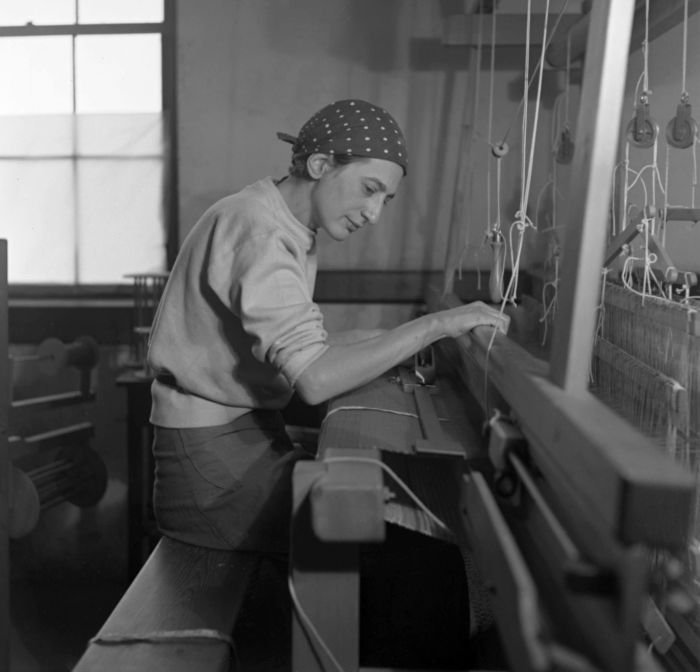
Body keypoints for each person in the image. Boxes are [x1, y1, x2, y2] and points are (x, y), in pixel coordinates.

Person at [146, 98, 508, 555]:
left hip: (236, 442)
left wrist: (394, 338)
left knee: (386, 525)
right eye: (369, 188)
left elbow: (302, 345)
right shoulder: (262, 233)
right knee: (394, 546)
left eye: (386, 199)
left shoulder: (275, 220)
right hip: (211, 473)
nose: (374, 213)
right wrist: (436, 325)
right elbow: (315, 378)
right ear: (320, 164)